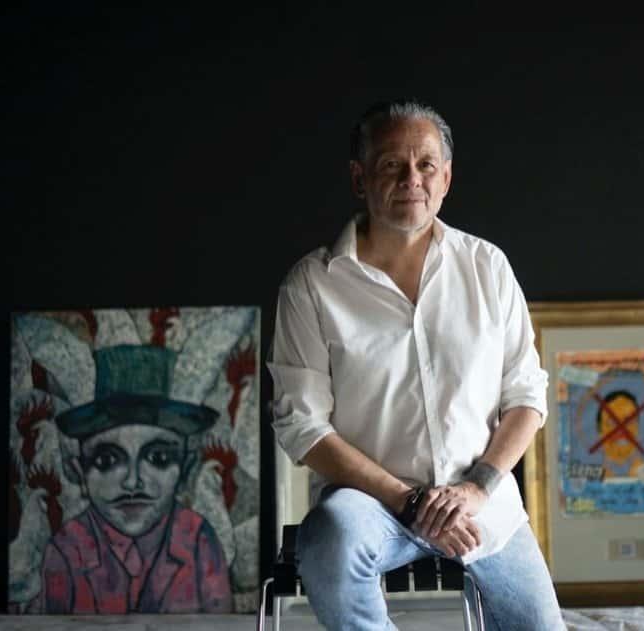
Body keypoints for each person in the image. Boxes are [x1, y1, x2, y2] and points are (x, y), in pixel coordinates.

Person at [268, 99, 565, 630]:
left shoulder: (487, 267)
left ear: (445, 178)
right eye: (391, 165)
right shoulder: (312, 285)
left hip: (479, 506)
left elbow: (526, 396)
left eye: (426, 164)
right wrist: (408, 501)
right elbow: (302, 426)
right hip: (369, 506)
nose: (411, 179)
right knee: (329, 543)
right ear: (359, 178)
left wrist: (475, 489)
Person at [35, 344, 232, 613]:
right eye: (107, 461)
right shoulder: (66, 549)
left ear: (185, 469)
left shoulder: (199, 540)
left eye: (159, 458)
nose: (132, 482)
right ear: (80, 472)